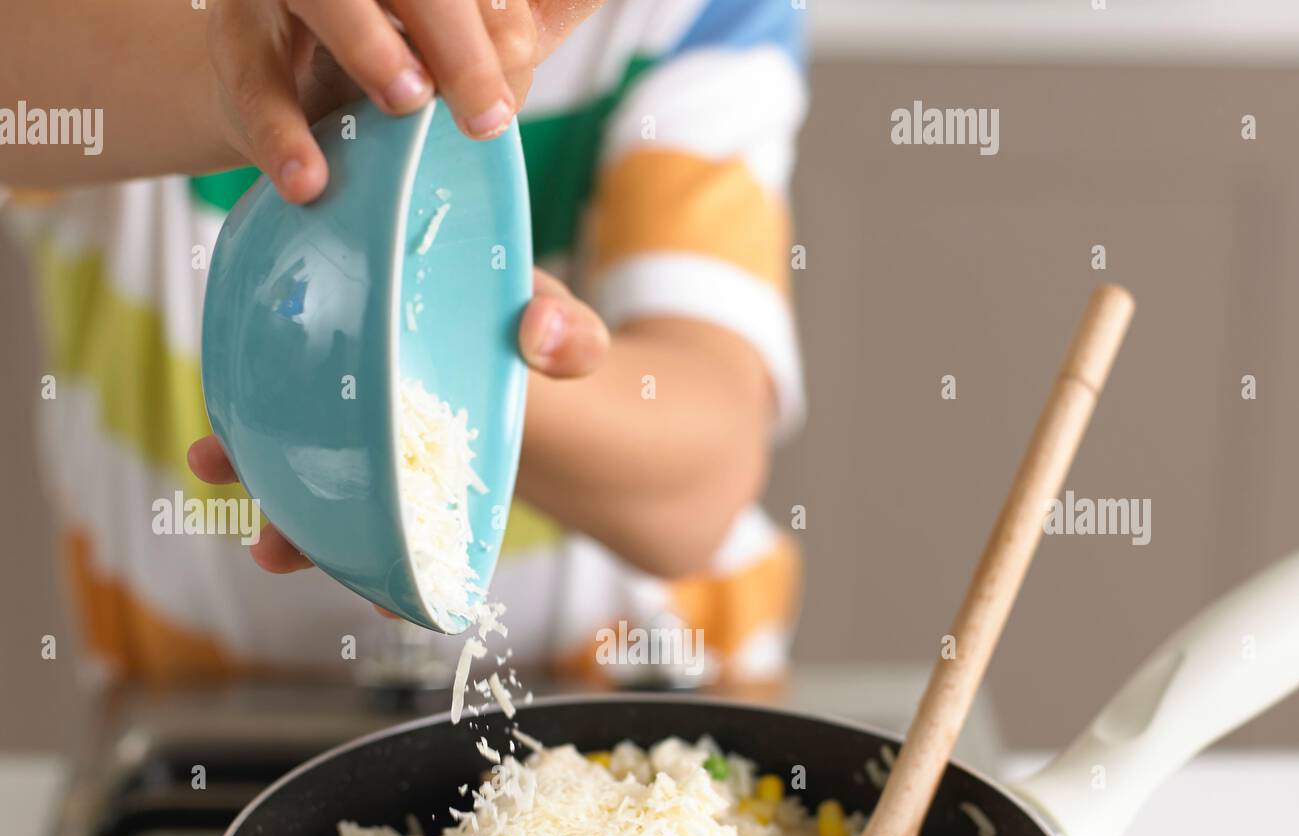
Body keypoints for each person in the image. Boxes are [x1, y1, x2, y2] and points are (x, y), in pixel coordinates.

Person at [1, 0, 806, 687]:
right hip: (202, 715)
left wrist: (453, 365)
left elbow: (699, 486)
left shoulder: (683, 19)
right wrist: (242, 78)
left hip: (640, 710)